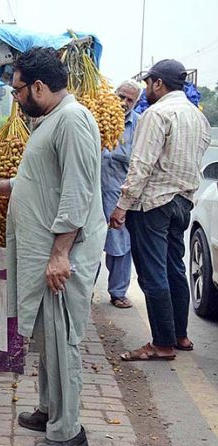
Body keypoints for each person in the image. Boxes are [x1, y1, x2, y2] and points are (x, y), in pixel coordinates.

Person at [0, 47, 105, 446]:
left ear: (38, 87)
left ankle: (69, 431)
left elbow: (78, 192)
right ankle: (50, 411)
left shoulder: (73, 121)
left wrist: (60, 254)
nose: (16, 97)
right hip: (46, 253)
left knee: (63, 342)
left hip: (62, 258)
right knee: (48, 339)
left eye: (18, 89)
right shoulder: (51, 122)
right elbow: (33, 181)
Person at [110, 59, 211, 361]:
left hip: (154, 205)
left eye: (147, 85)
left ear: (158, 83)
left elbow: (140, 166)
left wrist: (121, 206)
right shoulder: (198, 118)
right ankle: (180, 335)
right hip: (182, 203)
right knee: (174, 269)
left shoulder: (156, 114)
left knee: (153, 274)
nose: (145, 92)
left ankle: (162, 343)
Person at [99, 80, 142, 309]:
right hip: (92, 193)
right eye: (121, 96)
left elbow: (140, 167)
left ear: (135, 103)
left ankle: (118, 292)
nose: (124, 103)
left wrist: (126, 203)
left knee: (119, 246)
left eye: (130, 100)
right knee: (87, 244)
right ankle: (82, 292)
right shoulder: (97, 116)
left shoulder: (139, 126)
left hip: (118, 196)